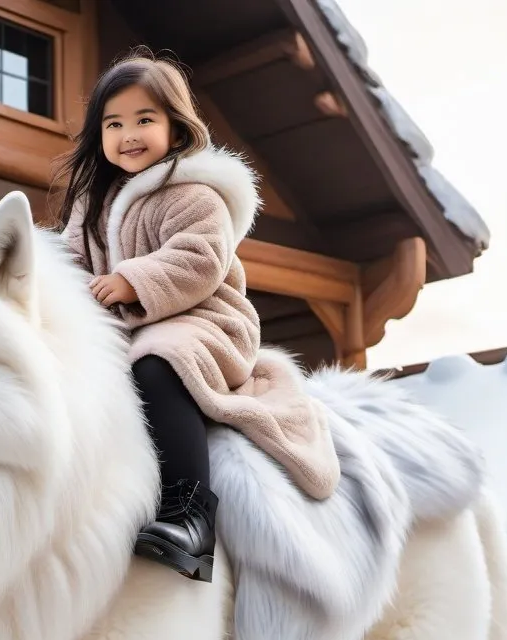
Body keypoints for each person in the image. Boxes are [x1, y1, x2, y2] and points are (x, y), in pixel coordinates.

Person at [55, 49, 340, 582]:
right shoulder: (93, 203)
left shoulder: (193, 193)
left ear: (176, 128)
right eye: (114, 124)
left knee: (156, 366)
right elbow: (68, 260)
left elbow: (200, 260)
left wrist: (131, 280)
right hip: (130, 328)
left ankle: (190, 515)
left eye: (145, 119)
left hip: (205, 323)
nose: (129, 134)